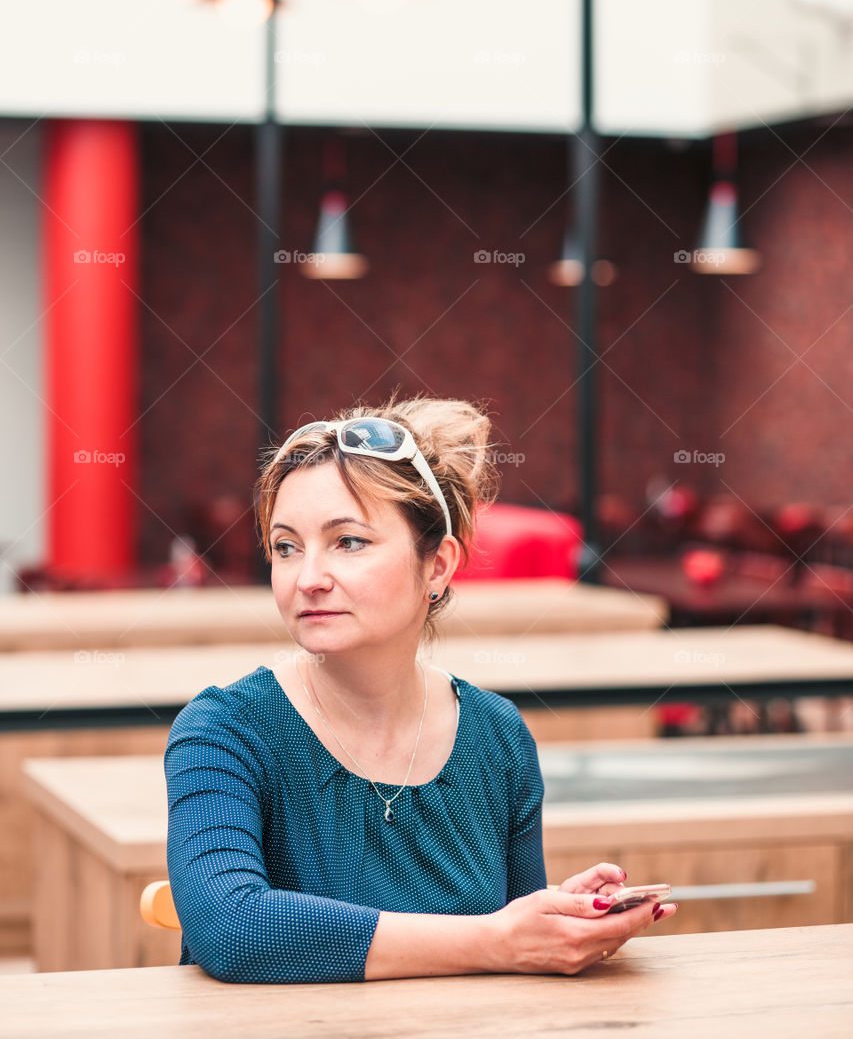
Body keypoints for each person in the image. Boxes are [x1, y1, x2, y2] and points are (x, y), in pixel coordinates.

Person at [164, 395, 677, 983]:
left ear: (437, 566)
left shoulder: (497, 736)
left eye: (348, 542)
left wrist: (551, 922)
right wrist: (498, 938)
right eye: (286, 547)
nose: (307, 579)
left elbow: (512, 965)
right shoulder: (224, 730)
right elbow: (231, 928)